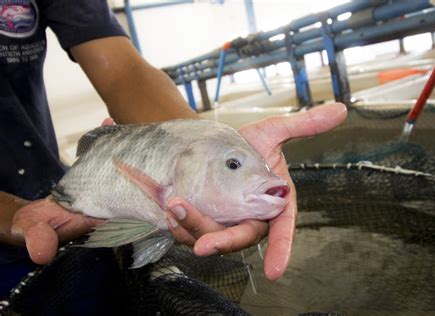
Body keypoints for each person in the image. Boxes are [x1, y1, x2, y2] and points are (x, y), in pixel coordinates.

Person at [0, 0, 347, 302]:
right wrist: (11, 211)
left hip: (52, 192)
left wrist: (205, 136)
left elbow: (121, 70)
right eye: (232, 164)